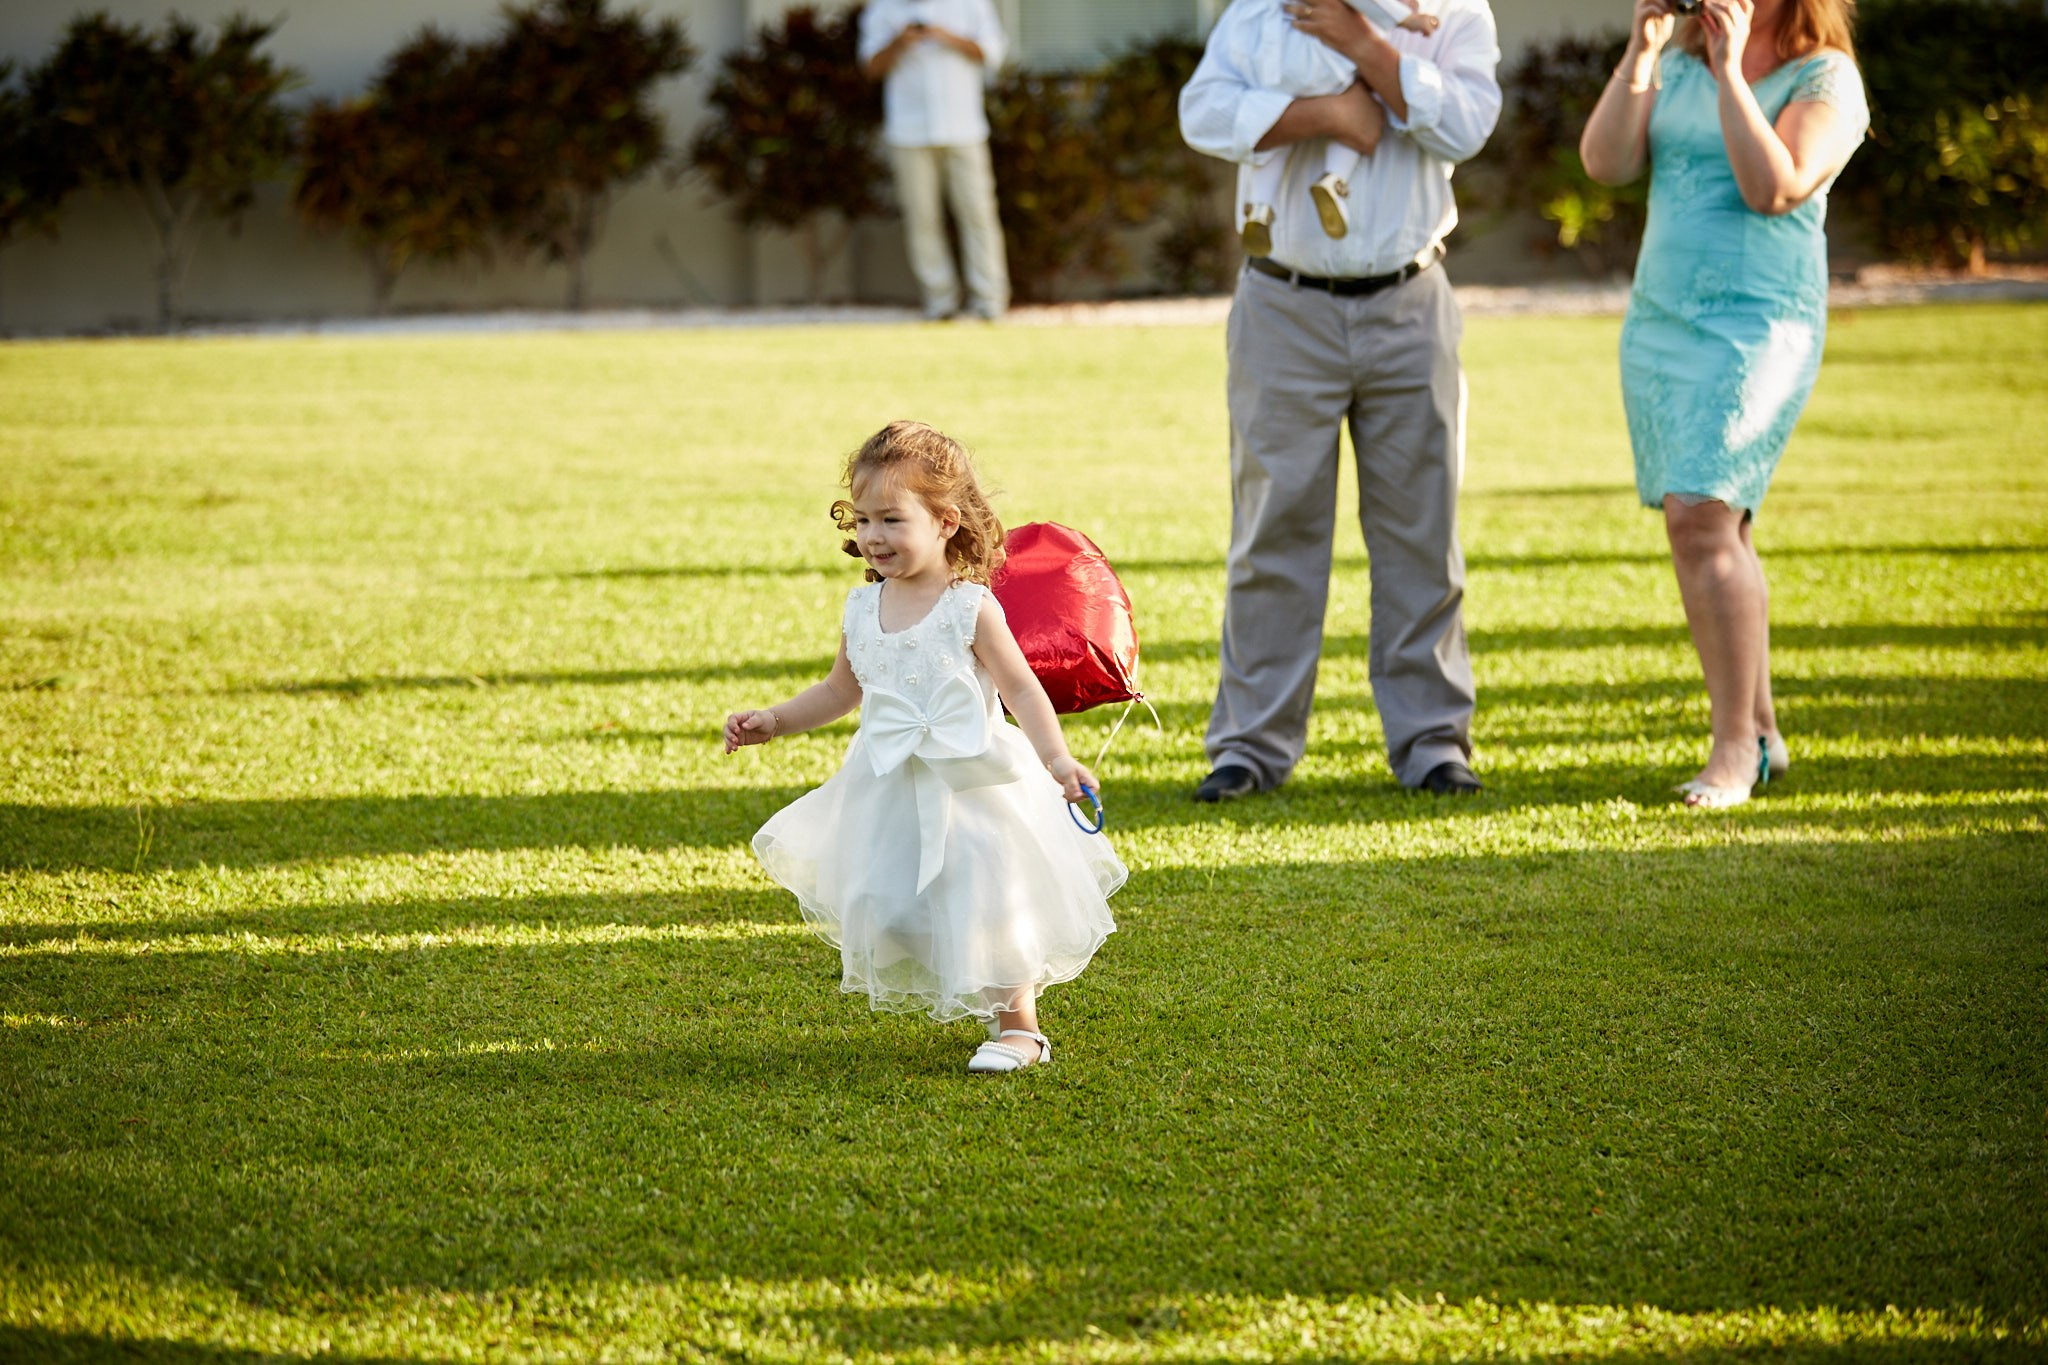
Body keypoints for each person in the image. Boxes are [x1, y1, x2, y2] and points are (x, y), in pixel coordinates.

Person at [1177, 0, 1502, 802]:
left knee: (1421, 529)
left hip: (1410, 299)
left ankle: (1433, 742)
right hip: (1283, 302)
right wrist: (1323, 113)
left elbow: (1466, 126)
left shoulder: (1453, 10)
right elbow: (1203, 112)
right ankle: (1251, 747)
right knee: (1272, 527)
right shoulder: (1262, 11)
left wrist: (1366, 47)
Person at [725, 421, 1124, 1073]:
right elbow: (838, 690)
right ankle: (976, 988)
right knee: (890, 903)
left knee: (989, 895)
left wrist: (1058, 759)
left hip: (973, 782)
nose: (873, 536)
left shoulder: (969, 607)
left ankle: (1020, 1025)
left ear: (944, 520)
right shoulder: (862, 608)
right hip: (890, 783)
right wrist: (774, 719)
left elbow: (1021, 690)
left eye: (891, 519)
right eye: (863, 520)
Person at [1579, 0, 1867, 808]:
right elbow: (1604, 162)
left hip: (1758, 322)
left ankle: (1734, 748)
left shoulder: (1826, 77)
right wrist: (1644, 46)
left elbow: (1774, 186)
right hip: (1664, 319)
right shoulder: (1676, 62)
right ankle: (1763, 731)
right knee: (1717, 523)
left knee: (1701, 516)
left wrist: (1733, 69)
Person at [1202, 0, 1443, 256]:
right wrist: (1406, 19)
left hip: (1271, 65)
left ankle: (1260, 207)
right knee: (1358, 100)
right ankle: (1334, 179)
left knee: (1270, 126)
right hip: (1317, 63)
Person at [858, 0, 1011, 321]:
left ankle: (990, 302)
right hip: (908, 132)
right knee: (922, 219)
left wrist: (946, 37)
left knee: (978, 215)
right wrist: (900, 43)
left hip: (965, 128)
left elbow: (993, 53)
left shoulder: (970, 4)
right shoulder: (883, 8)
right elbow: (870, 67)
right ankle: (940, 303)